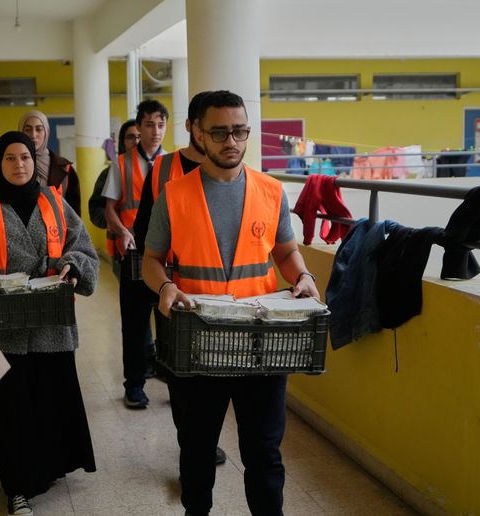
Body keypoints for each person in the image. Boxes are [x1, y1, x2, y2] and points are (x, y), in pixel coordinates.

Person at [141, 90, 319, 515]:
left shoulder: (271, 191)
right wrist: (165, 287)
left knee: (264, 453)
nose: (231, 141)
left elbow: (285, 251)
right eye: (218, 132)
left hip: (260, 343)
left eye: (239, 131)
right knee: (197, 452)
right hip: (199, 342)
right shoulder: (175, 194)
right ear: (198, 133)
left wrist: (304, 276)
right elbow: (150, 260)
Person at [0, 131, 98, 516]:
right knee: (10, 408)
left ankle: (44, 469)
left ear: (34, 161)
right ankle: (16, 485)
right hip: (2, 325)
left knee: (49, 401)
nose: (19, 165)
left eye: (25, 158)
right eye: (10, 158)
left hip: (51, 322)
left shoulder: (54, 201)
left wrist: (73, 267)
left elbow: (83, 248)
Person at [130, 91, 229, 465]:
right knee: (181, 371)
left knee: (217, 370)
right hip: (172, 289)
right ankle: (192, 442)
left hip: (222, 293)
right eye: (213, 129)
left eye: (230, 131)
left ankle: (204, 438)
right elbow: (144, 228)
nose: (221, 138)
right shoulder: (163, 168)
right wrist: (163, 273)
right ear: (192, 127)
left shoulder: (232, 172)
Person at [101, 99, 168, 408]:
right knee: (135, 322)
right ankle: (135, 385)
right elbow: (110, 208)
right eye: (150, 124)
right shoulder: (122, 163)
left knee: (169, 321)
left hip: (168, 256)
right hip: (134, 254)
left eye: (160, 124)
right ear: (138, 128)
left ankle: (173, 380)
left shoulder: (174, 165)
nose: (155, 131)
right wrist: (121, 231)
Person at [19, 110, 82, 215]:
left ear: (46, 132)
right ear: (21, 132)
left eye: (39, 129)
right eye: (28, 129)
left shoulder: (64, 167)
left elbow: (74, 212)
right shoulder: (12, 164)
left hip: (57, 229)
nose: (33, 135)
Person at [88, 119, 140, 230]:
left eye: (140, 136)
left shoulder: (155, 169)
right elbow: (95, 209)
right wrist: (115, 223)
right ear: (122, 142)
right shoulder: (109, 173)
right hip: (122, 241)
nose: (136, 142)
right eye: (131, 137)